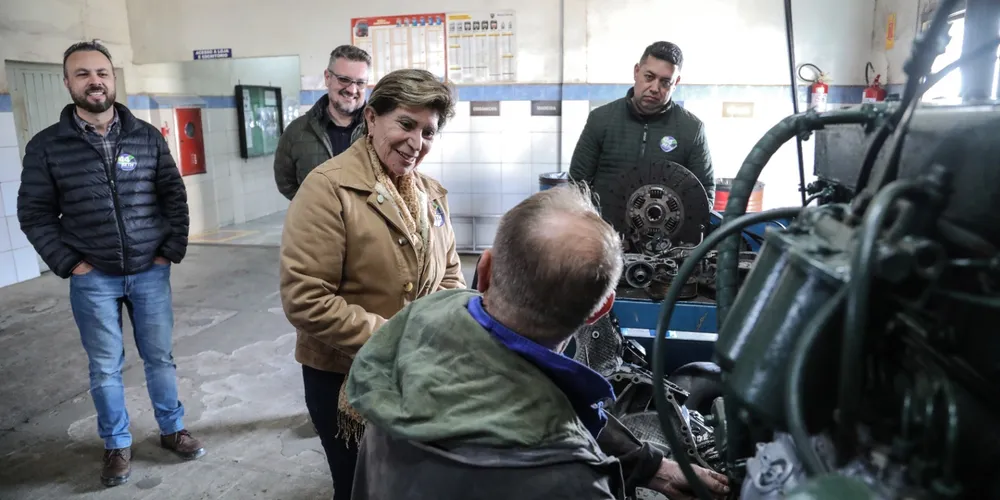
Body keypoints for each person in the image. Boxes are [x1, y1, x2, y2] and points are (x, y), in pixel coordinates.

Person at [344, 184, 729, 500]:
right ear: (602, 309)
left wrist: (651, 468)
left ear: (485, 268)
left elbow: (557, 401)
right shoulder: (576, 481)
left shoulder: (412, 332)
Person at [16, 41, 204, 488]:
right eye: (82, 74)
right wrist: (71, 264)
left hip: (149, 270)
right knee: (104, 366)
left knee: (160, 356)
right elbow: (35, 213)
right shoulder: (47, 147)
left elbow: (173, 197)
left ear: (113, 79)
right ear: (68, 83)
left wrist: (167, 251)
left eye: (101, 72)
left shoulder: (145, 137)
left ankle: (171, 429)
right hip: (93, 275)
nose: (94, 81)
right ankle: (116, 444)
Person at [278, 68, 466, 500]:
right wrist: (395, 340)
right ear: (372, 117)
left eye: (428, 131)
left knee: (406, 482)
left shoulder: (430, 194)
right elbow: (306, 299)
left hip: (415, 372)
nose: (416, 143)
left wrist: (437, 334)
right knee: (360, 485)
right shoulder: (328, 189)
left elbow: (451, 274)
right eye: (405, 123)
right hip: (345, 378)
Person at [569, 41, 716, 213]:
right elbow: (577, 185)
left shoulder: (691, 129)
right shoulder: (601, 119)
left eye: (665, 82)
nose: (655, 88)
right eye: (649, 77)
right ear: (636, 71)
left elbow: (704, 194)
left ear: (676, 82)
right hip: (605, 233)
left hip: (666, 237)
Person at [273, 44, 371, 200]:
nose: (352, 90)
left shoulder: (378, 130)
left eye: (360, 83)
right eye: (344, 80)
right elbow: (285, 182)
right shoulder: (297, 131)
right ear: (327, 78)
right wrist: (315, 209)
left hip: (367, 224)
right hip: (316, 223)